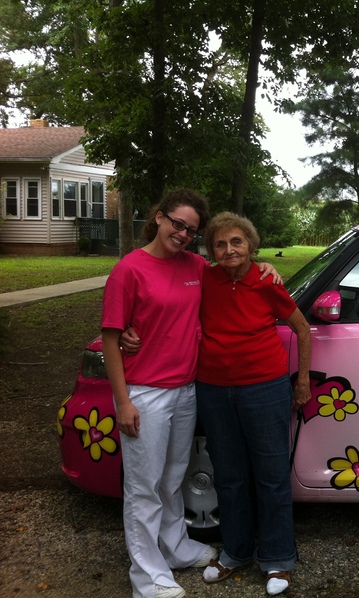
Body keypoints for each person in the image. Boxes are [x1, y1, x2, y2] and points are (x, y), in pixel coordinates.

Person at [103, 190, 278, 598]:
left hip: (186, 389)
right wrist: (123, 401)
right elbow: (112, 339)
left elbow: (236, 266)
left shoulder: (196, 266)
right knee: (143, 487)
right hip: (145, 392)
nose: (182, 234)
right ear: (159, 218)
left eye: (191, 230)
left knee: (172, 479)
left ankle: (176, 547)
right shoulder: (129, 270)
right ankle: (146, 577)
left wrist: (264, 266)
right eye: (177, 224)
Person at [195, 212, 311, 596]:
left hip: (264, 388)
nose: (229, 250)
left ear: (250, 245)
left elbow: (301, 328)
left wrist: (304, 381)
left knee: (271, 476)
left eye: (236, 242)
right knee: (229, 477)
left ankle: (277, 559)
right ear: (211, 250)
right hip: (213, 390)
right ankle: (236, 552)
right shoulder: (203, 279)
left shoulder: (264, 280)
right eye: (220, 244)